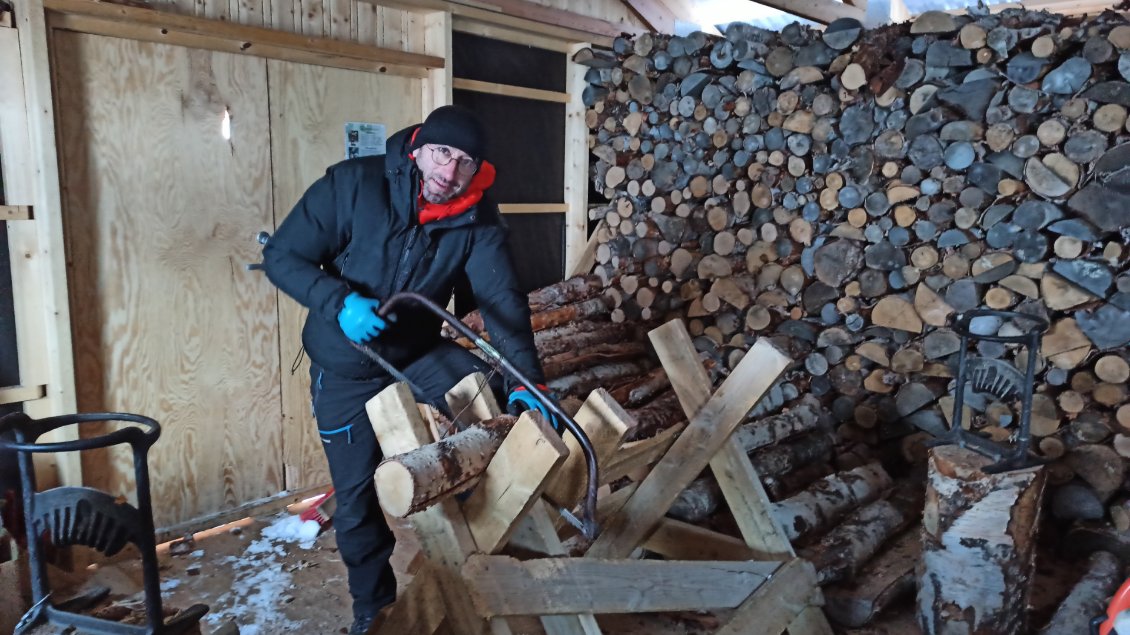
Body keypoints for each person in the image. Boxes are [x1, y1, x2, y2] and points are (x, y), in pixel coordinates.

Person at [261, 105, 558, 634]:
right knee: (354, 499)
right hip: (346, 361)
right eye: (443, 154)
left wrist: (527, 382)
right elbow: (283, 257)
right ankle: (372, 612)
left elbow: (501, 301)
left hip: (418, 349)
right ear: (418, 147)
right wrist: (339, 301)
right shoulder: (354, 185)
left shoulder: (477, 215)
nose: (450, 172)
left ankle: (485, 538)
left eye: (466, 162)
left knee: (487, 396)